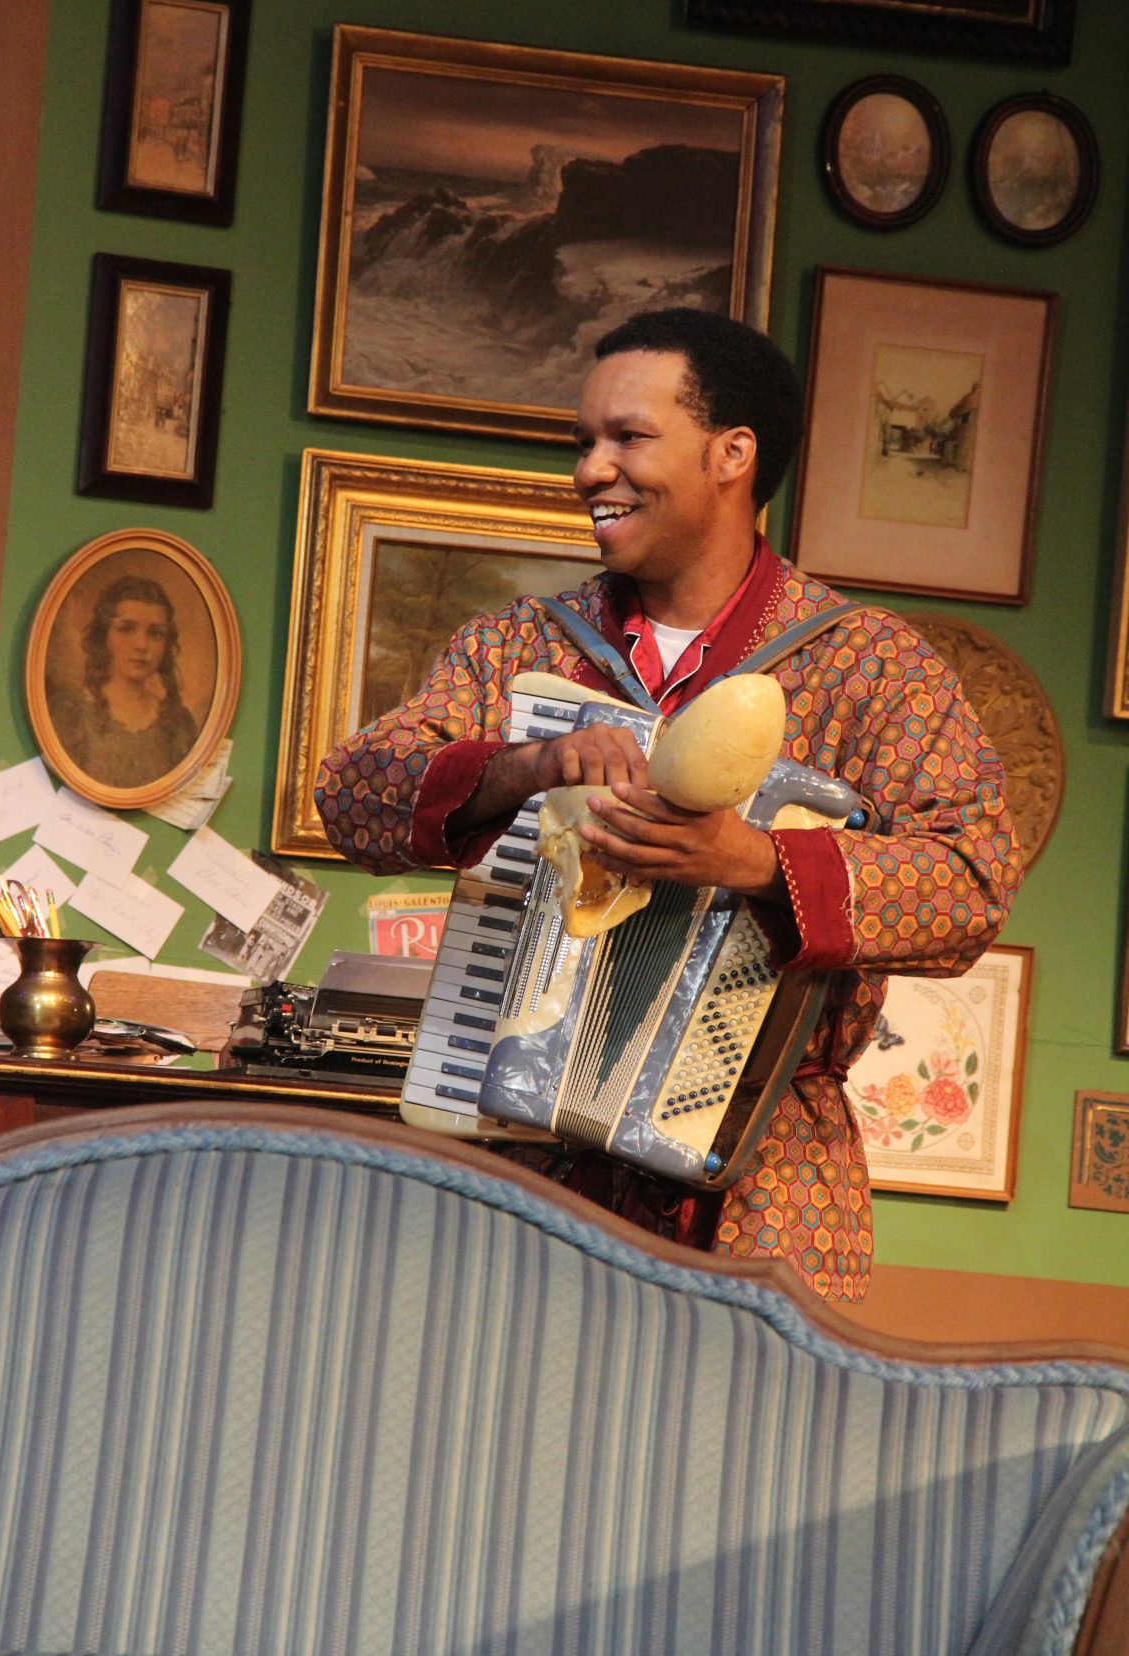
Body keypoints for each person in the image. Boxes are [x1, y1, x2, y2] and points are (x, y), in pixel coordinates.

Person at [315, 308, 1022, 1301]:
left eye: (627, 437)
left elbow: (973, 882)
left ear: (732, 454)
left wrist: (751, 863)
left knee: (741, 1409)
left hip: (764, 1182)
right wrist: (526, 765)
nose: (590, 470)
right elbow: (350, 795)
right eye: (583, 443)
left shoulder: (871, 667)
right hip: (513, 1159)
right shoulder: (520, 646)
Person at [51, 574, 197, 789]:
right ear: (104, 636)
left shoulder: (178, 724)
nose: (141, 645)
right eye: (127, 629)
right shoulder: (71, 713)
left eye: (155, 633)